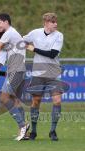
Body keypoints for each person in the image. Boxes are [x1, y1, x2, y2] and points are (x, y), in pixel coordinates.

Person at [23, 13, 64, 141]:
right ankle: (34, 132)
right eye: (53, 22)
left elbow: (52, 54)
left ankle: (52, 131)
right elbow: (20, 40)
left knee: (57, 101)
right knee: (36, 102)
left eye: (56, 21)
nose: (56, 24)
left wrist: (33, 49)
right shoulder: (35, 33)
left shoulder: (59, 35)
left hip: (53, 73)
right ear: (46, 23)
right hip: (38, 74)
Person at [0, 13, 29, 141]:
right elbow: (0, 54)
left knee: (3, 97)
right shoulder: (12, 36)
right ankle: (24, 132)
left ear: (6, 22)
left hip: (16, 70)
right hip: (18, 69)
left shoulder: (9, 32)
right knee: (15, 100)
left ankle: (22, 125)